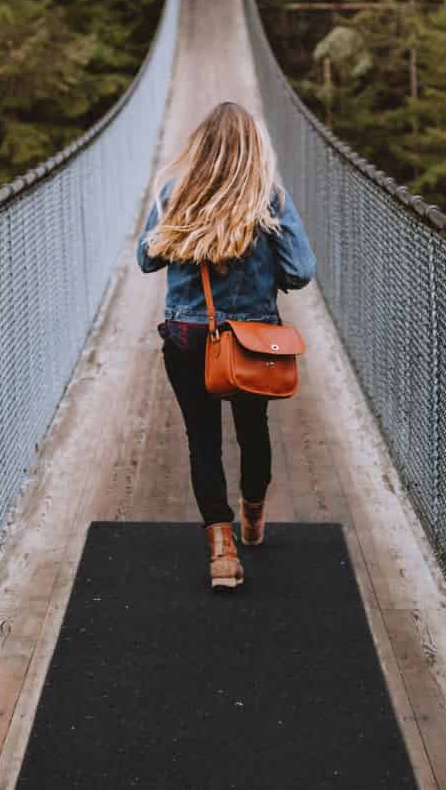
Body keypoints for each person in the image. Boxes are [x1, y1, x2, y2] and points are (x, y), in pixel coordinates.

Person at [138, 101, 316, 591]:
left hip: (188, 335)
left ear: (200, 145)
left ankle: (221, 550)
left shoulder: (176, 193)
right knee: (253, 428)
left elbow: (145, 260)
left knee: (203, 439)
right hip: (252, 340)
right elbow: (300, 271)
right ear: (254, 148)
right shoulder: (269, 198)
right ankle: (252, 516)